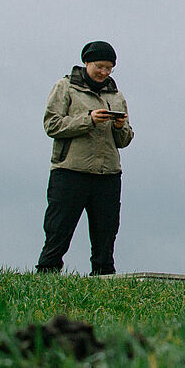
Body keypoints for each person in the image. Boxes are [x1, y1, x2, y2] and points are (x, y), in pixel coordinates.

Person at [35, 41, 134, 275]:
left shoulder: (117, 95)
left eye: (109, 68)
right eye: (100, 66)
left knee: (106, 233)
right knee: (58, 229)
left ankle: (104, 277)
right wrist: (88, 119)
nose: (104, 72)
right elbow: (52, 125)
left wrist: (120, 126)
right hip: (70, 171)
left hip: (108, 174)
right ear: (86, 62)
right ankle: (47, 273)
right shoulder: (65, 87)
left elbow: (125, 139)